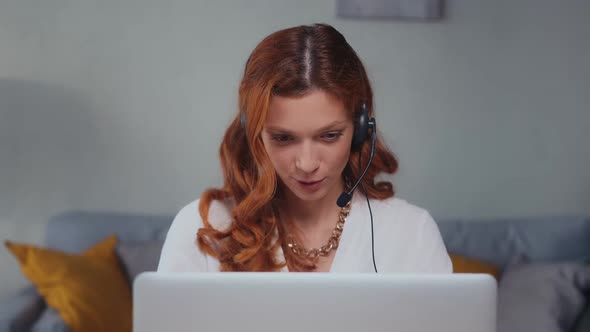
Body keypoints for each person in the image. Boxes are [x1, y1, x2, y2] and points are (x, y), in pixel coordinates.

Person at [157, 23, 452, 273]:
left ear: (361, 129)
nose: (307, 164)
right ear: (254, 132)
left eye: (329, 136)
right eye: (283, 138)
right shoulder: (204, 228)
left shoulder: (413, 233)